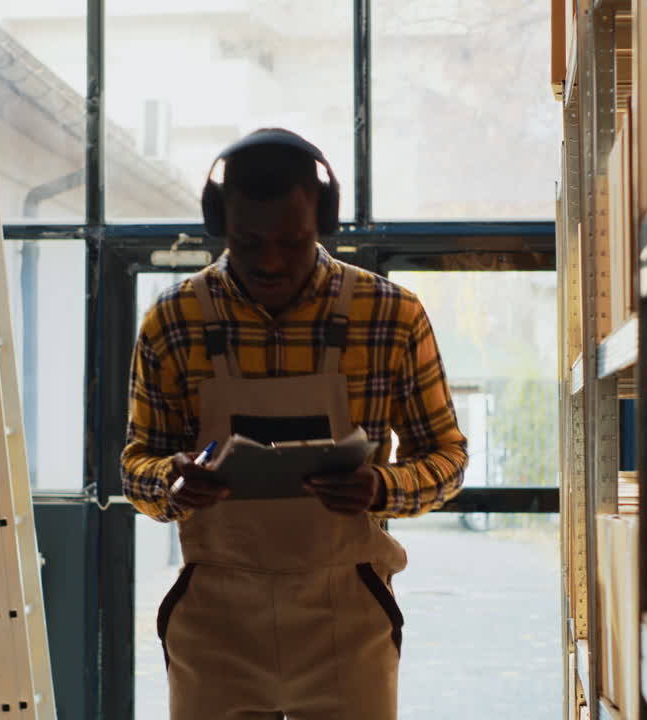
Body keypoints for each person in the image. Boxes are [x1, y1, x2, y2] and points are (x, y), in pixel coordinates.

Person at [122, 129, 468, 720]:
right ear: (218, 223)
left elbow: (448, 458)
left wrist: (381, 488)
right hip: (216, 620)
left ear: (324, 221)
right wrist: (171, 483)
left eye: (294, 240)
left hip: (347, 615)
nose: (272, 261)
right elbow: (138, 464)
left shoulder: (390, 315)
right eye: (249, 241)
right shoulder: (173, 320)